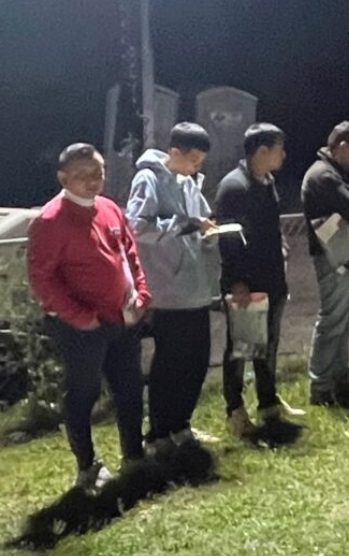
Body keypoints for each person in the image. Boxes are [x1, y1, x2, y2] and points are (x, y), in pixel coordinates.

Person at [29, 143, 151, 492]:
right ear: (63, 178)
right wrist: (79, 317)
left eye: (97, 173)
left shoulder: (110, 208)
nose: (92, 181)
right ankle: (87, 466)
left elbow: (130, 254)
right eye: (82, 176)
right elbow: (43, 279)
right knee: (83, 392)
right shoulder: (51, 221)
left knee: (129, 388)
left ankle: (134, 455)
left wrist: (142, 295)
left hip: (123, 318)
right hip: (82, 327)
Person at [128, 122, 219, 450]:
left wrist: (208, 229)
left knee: (197, 361)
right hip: (167, 289)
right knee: (170, 364)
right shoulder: (148, 178)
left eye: (201, 163)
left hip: (196, 287)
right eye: (193, 160)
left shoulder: (189, 181)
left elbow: (200, 218)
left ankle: (181, 425)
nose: (197, 167)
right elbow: (136, 227)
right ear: (175, 152)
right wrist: (182, 225)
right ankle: (158, 433)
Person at [214, 122, 300, 436]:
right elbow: (229, 239)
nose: (284, 155)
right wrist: (237, 283)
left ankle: (268, 402)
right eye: (279, 149)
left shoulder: (266, 181)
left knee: (268, 346)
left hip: (273, 279)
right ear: (262, 151)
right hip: (246, 283)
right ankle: (234, 409)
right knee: (241, 346)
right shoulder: (234, 187)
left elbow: (270, 228)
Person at [302, 121, 349, 406]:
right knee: (333, 319)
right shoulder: (324, 176)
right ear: (342, 146)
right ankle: (321, 384)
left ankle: (341, 376)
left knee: (345, 320)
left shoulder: (344, 174)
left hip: (347, 251)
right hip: (333, 255)